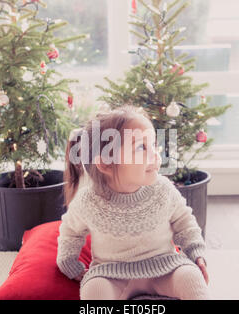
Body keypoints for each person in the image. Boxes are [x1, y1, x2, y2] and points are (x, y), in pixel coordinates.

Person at [57, 105, 211, 300]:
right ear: (105, 164)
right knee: (94, 290)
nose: (155, 155)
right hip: (111, 273)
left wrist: (196, 252)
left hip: (165, 266)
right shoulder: (89, 201)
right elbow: (70, 232)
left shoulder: (162, 189)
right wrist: (68, 261)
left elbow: (185, 222)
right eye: (141, 147)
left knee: (191, 278)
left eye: (154, 144)